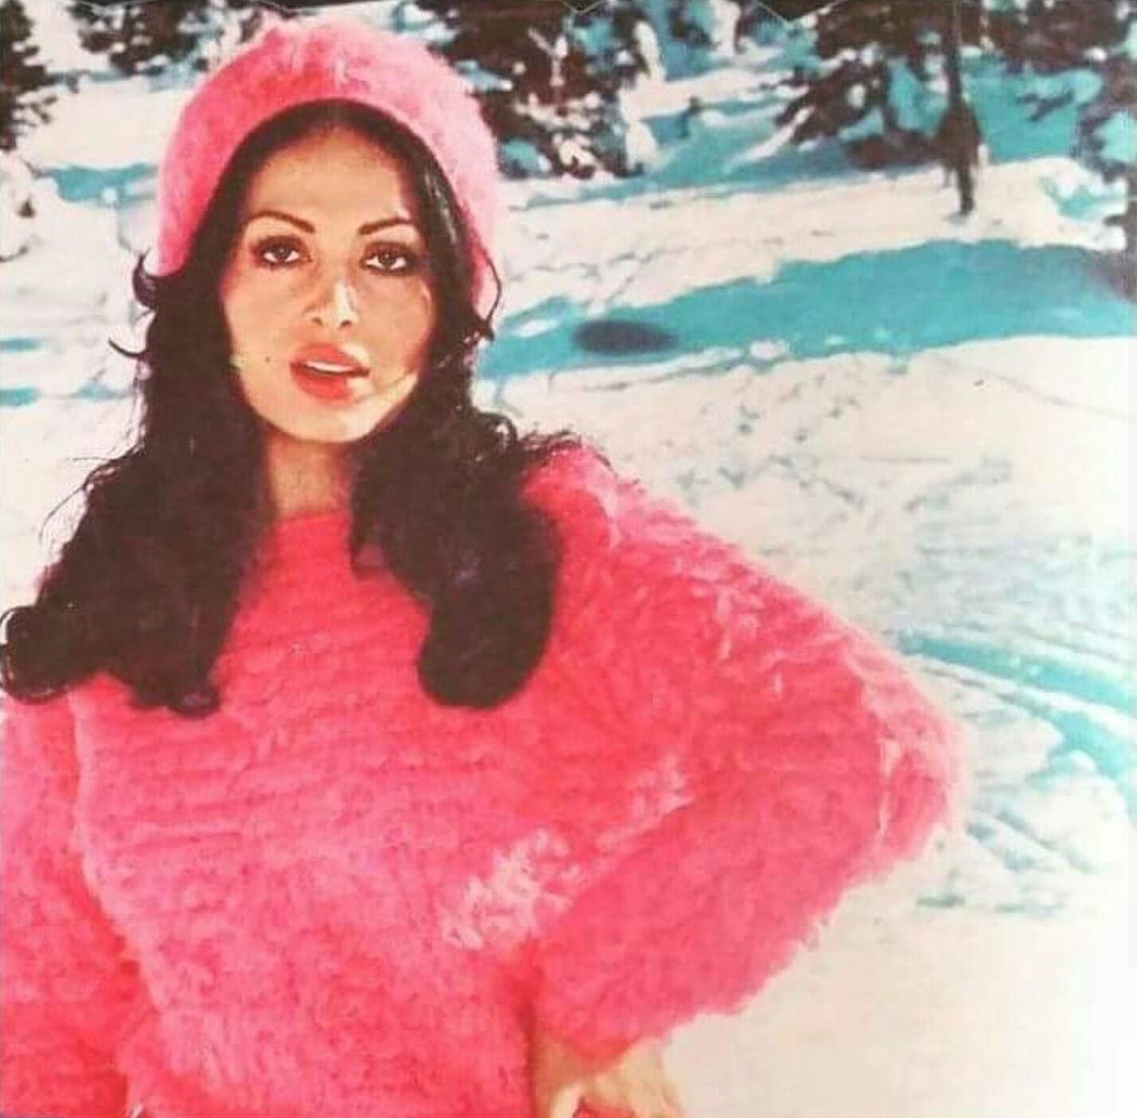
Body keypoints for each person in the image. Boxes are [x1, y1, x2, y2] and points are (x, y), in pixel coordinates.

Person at [0, 16, 964, 1118]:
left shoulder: (547, 542)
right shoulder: (111, 602)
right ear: (204, 277)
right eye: (280, 250)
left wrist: (604, 997)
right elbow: (40, 1014)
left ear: (453, 292)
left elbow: (867, 744)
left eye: (391, 258)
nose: (336, 306)